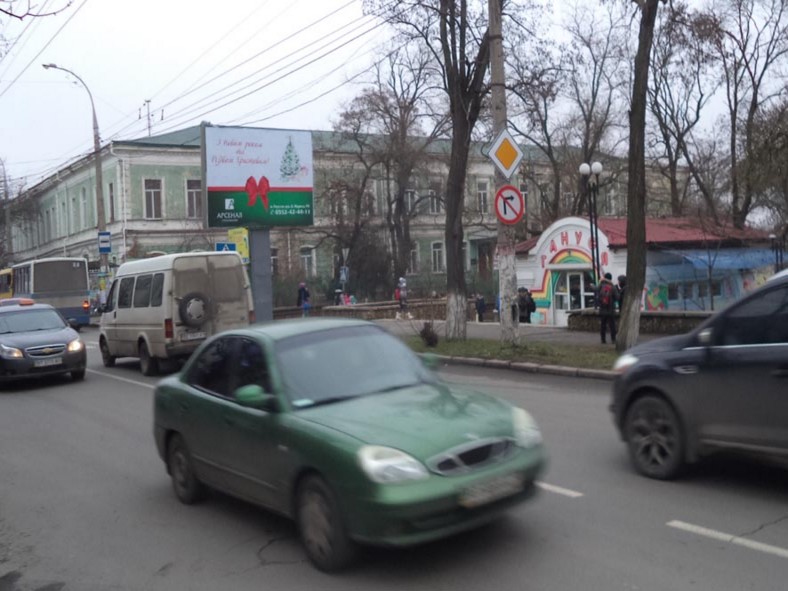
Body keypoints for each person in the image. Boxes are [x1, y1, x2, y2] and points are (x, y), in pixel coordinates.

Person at [597, 272, 619, 344]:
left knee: (603, 325)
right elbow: (617, 297)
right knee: (612, 325)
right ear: (610, 279)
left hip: (602, 309)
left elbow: (596, 291)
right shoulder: (613, 287)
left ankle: (603, 340)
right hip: (610, 309)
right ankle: (613, 339)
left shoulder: (601, 285)